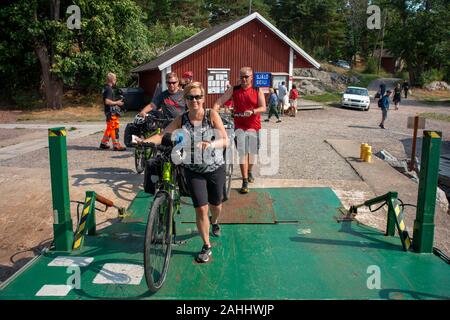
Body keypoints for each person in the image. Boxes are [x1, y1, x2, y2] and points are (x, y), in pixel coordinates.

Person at [136, 82, 228, 263]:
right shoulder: (182, 119)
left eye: (198, 97)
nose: (195, 100)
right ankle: (206, 245)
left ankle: (215, 221)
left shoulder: (211, 115)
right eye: (190, 97)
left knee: (215, 205)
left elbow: (224, 139)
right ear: (185, 100)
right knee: (201, 208)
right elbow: (163, 135)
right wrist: (144, 141)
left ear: (203, 98)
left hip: (214, 167)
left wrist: (210, 144)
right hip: (192, 169)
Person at [213, 67, 266, 194]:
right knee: (243, 153)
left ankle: (249, 171)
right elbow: (221, 100)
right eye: (241, 76)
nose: (243, 79)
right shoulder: (234, 89)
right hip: (239, 127)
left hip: (254, 126)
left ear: (251, 77)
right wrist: (214, 109)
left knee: (252, 153)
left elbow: (263, 107)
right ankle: (245, 180)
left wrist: (253, 111)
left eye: (246, 77)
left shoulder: (257, 90)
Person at [99, 72, 126, 151]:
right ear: (111, 80)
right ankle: (116, 145)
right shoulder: (109, 89)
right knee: (114, 128)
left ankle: (103, 143)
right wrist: (117, 102)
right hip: (111, 112)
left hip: (108, 111)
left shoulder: (105, 88)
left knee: (109, 128)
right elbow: (107, 101)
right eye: (115, 79)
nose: (116, 80)